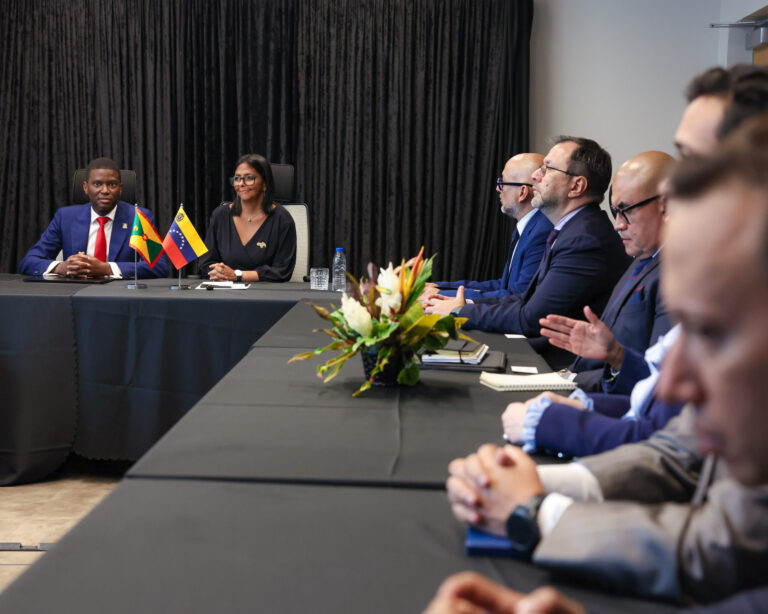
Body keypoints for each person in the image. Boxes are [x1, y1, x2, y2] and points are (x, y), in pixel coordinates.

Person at [441, 116, 768, 607]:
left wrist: (534, 512)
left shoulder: (609, 243)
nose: (672, 382)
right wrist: (530, 488)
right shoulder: (651, 262)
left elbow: (714, 549)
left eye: (711, 335)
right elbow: (674, 457)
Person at [540, 64, 768, 395]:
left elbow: (669, 400)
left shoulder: (715, 274)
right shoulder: (656, 260)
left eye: (694, 158)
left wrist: (566, 409)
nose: (675, 184)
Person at [424, 137, 630, 366]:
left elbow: (531, 318)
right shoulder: (573, 230)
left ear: (576, 186)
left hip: (563, 367)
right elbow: (525, 299)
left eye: (547, 169)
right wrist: (460, 304)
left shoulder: (584, 240)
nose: (535, 176)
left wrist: (460, 310)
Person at [426, 153, 552, 299]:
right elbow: (502, 286)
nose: (498, 188)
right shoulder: (528, 227)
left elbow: (517, 296)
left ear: (522, 192)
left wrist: (439, 294)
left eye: (502, 182)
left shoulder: (542, 232)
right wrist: (437, 287)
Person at [18, 158, 168, 279]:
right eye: (97, 184)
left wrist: (107, 268)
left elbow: (159, 266)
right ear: (85, 187)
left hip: (120, 295)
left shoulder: (138, 218)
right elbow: (29, 262)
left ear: (120, 188)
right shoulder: (65, 217)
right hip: (76, 294)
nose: (105, 190)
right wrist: (62, 267)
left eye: (112, 184)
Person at [198, 153, 296, 282]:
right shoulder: (220, 215)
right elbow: (206, 262)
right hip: (225, 289)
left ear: (265, 184)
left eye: (249, 178)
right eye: (237, 178)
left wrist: (238, 275)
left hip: (266, 291)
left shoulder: (283, 220)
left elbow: (282, 271)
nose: (241, 183)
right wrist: (220, 272)